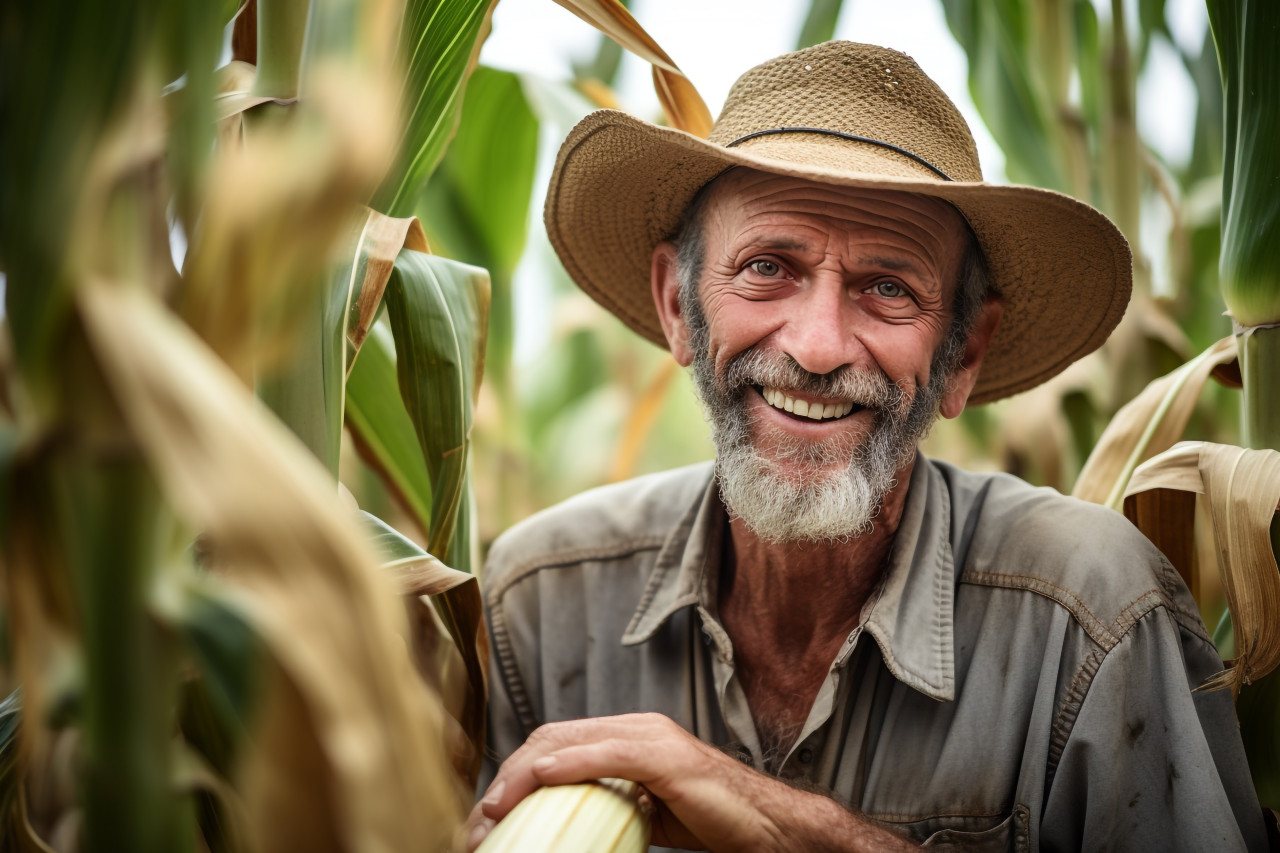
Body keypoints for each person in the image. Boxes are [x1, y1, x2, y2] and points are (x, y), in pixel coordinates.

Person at [468, 41, 1267, 851]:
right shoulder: (540, 606)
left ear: (963, 355)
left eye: (888, 288)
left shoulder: (1094, 619)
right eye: (768, 266)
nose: (817, 348)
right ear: (678, 305)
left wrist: (795, 830)